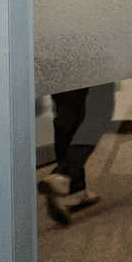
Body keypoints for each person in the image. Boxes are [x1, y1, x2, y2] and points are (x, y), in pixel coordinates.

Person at [37, 81, 115, 224]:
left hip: (56, 63)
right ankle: (63, 176)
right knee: (100, 111)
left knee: (67, 117)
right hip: (89, 61)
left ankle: (75, 191)